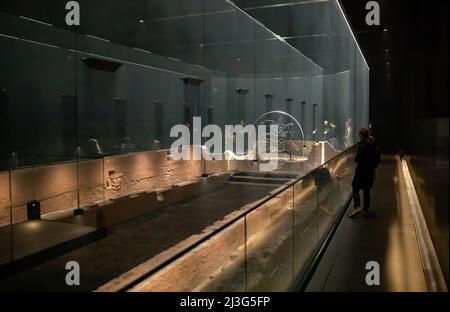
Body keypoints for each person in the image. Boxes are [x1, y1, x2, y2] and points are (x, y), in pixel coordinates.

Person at [350, 128, 379, 218]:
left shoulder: (363, 145)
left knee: (355, 188)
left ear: (362, 135)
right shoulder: (373, 143)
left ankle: (356, 207)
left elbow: (358, 159)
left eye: (360, 135)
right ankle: (366, 210)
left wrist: (355, 158)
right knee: (366, 191)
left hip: (361, 170)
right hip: (370, 171)